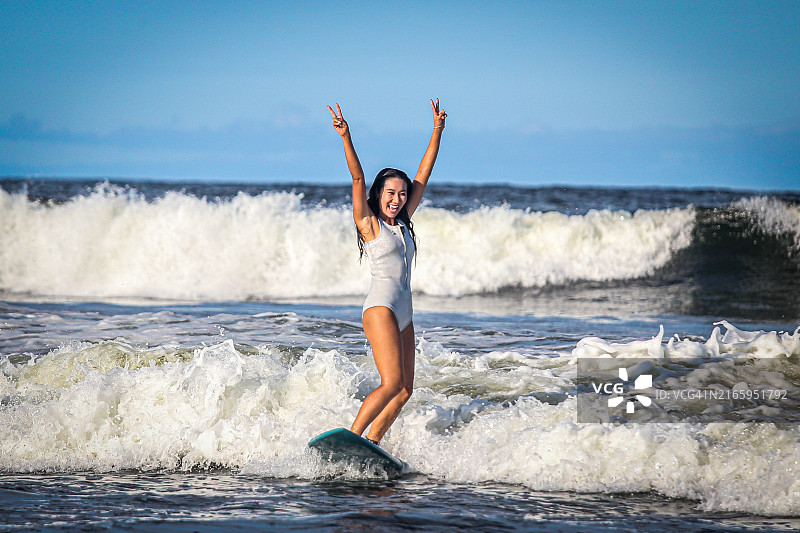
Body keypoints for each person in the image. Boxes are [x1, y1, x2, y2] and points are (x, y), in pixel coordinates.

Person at [327, 100, 446, 445]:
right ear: (378, 194)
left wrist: (437, 130)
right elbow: (357, 176)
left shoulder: (404, 223)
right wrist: (346, 137)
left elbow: (423, 173)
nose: (396, 199)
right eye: (390, 193)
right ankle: (352, 438)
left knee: (406, 389)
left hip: (405, 313)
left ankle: (372, 443)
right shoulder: (370, 224)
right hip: (381, 307)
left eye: (402, 194)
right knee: (390, 383)